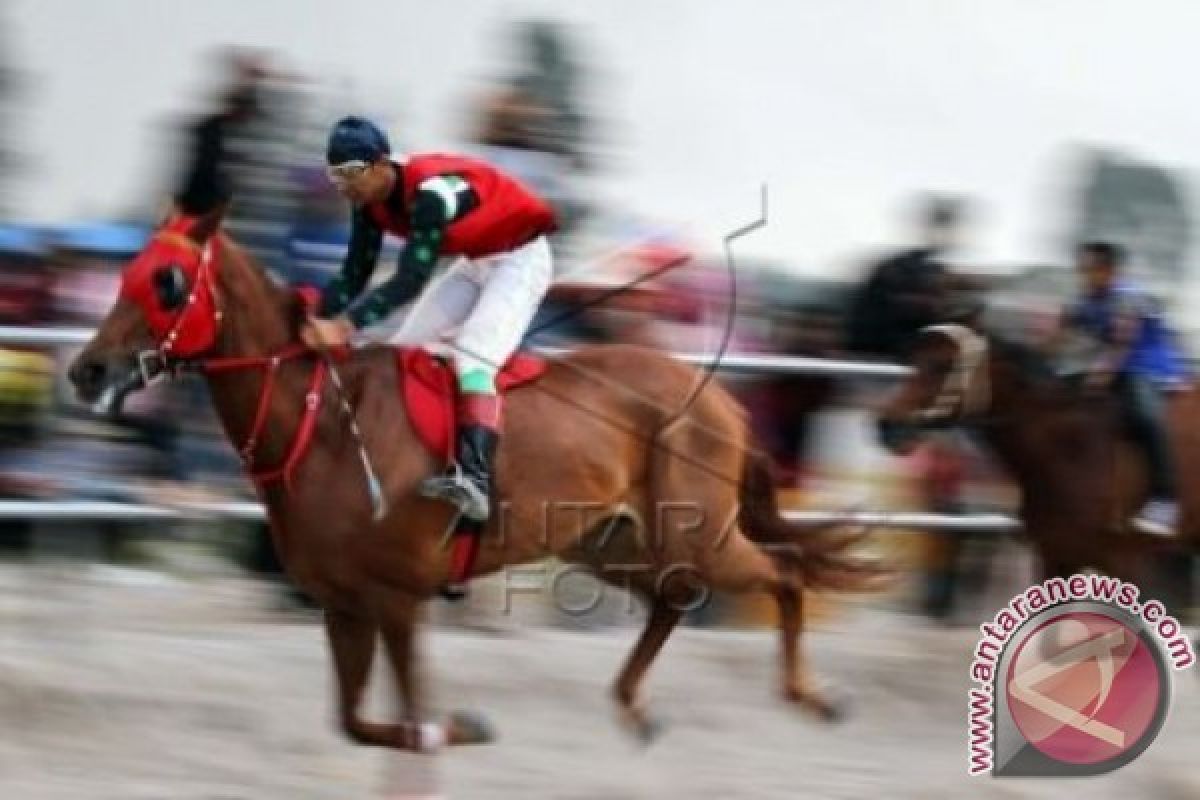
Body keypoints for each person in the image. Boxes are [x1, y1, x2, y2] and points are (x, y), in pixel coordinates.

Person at [300, 116, 558, 523]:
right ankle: (414, 458)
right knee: (402, 352)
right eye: (336, 177)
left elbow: (408, 281)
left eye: (351, 173)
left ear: (381, 163)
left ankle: (475, 479)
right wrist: (315, 316)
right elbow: (354, 276)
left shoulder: (430, 195)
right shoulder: (368, 202)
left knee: (473, 357)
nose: (345, 187)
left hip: (520, 259)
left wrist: (345, 326)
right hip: (476, 262)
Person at [1063, 241, 1190, 536]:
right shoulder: (1085, 301)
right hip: (1110, 366)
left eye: (1091, 269)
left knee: (1146, 418)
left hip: (1146, 367)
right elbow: (1065, 336)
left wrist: (1101, 374)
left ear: (1109, 270)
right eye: (1082, 269)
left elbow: (1123, 342)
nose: (1084, 275)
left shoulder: (1128, 298)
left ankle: (1165, 500)